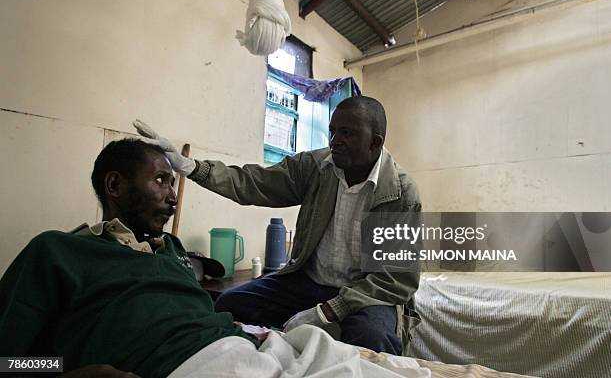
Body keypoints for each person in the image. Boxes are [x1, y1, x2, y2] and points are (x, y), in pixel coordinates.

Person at [134, 95, 422, 355]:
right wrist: (191, 167)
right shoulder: (316, 167)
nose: (335, 140)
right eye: (333, 131)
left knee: (374, 339)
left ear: (375, 142)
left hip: (363, 294)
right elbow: (254, 181)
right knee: (230, 305)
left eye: (347, 133)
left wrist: (328, 311)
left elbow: (395, 280)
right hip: (307, 281)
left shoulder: (399, 193)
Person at [0, 139, 259, 377]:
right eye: (161, 180)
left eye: (172, 184)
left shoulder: (173, 248)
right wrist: (72, 372)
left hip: (249, 350)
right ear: (115, 185)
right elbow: (8, 362)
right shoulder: (58, 251)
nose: (173, 198)